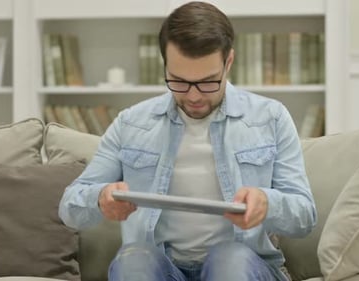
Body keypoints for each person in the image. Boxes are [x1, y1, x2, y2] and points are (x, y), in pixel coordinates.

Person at [58, 1, 317, 280]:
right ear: (165, 65)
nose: (193, 96)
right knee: (133, 260)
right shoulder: (131, 123)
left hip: (242, 267)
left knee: (228, 259)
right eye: (179, 81)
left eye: (207, 82)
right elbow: (69, 207)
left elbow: (304, 215)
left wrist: (269, 203)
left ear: (228, 62)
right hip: (161, 269)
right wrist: (100, 199)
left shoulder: (271, 118)